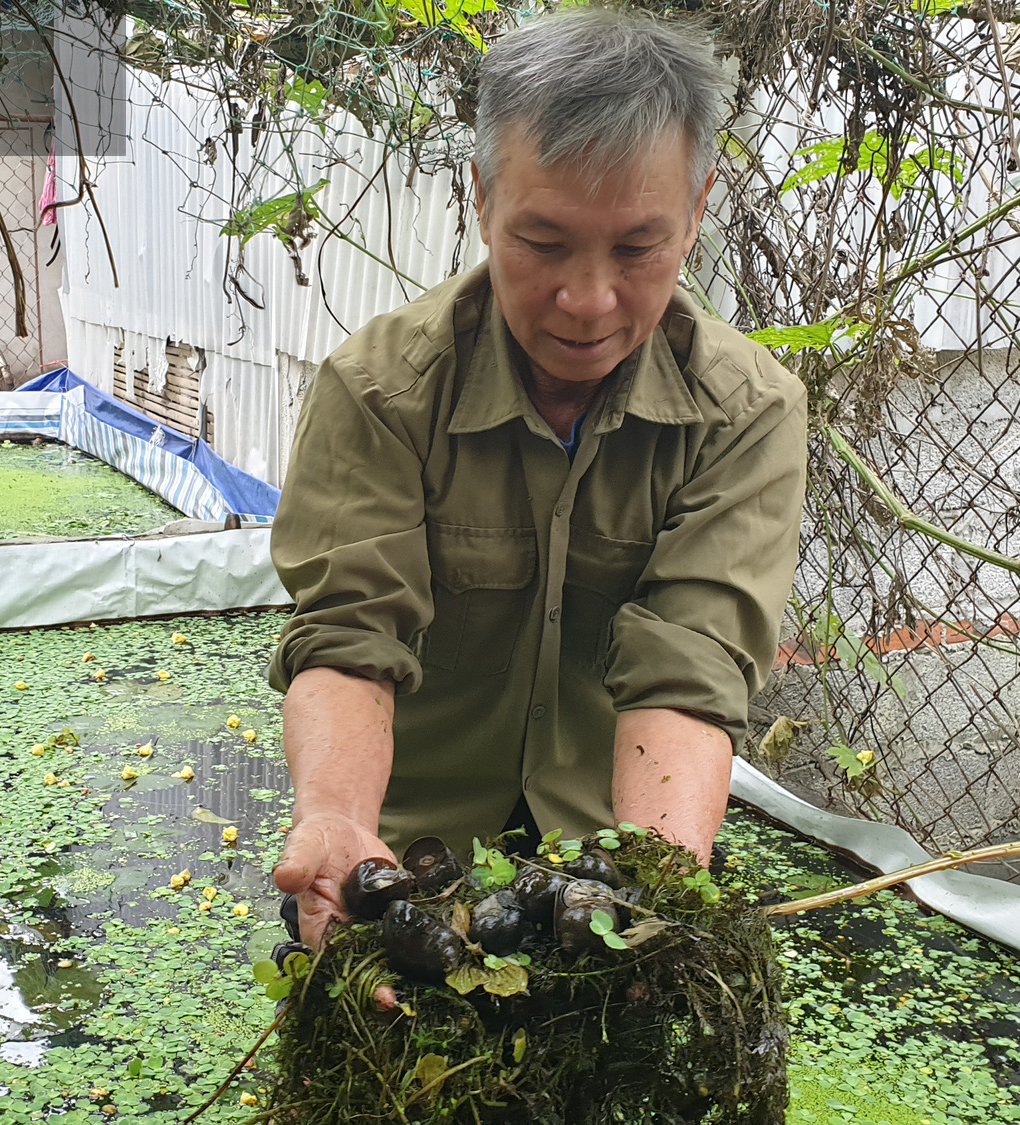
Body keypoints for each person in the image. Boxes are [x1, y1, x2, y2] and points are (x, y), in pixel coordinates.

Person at [267, 7, 808, 945]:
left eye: (638, 248)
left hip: (622, 847)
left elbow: (689, 666)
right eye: (544, 243)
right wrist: (340, 819)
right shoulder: (379, 393)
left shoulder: (746, 412)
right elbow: (351, 634)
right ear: (481, 199)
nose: (588, 301)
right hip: (405, 861)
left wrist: (649, 889)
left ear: (699, 207)